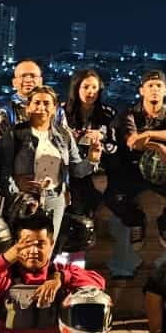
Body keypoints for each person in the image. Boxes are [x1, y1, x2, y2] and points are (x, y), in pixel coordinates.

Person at [0, 85, 99, 241]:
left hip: (54, 199)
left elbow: (77, 171)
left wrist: (92, 159)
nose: (41, 108)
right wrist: (16, 185)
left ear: (54, 108)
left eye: (46, 103)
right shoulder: (14, 134)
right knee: (22, 247)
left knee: (47, 247)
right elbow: (2, 170)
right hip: (23, 200)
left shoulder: (64, 135)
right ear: (28, 107)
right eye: (36, 103)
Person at [118, 70, 166, 245]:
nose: (155, 89)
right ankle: (136, 221)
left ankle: (165, 224)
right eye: (150, 85)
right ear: (141, 91)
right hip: (136, 171)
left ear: (165, 91)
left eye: (159, 86)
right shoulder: (130, 114)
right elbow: (133, 142)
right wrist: (158, 146)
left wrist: (149, 134)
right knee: (114, 197)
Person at [65, 68, 122, 221]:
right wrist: (73, 138)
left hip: (99, 166)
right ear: (76, 88)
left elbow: (114, 147)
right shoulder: (63, 112)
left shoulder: (108, 113)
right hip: (71, 165)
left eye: (94, 87)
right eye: (86, 87)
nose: (90, 92)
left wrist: (101, 138)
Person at [0, 58, 63, 144]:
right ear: (14, 82)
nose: (28, 80)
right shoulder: (5, 114)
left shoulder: (57, 111)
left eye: (33, 76)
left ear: (40, 81)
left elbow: (66, 142)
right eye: (23, 76)